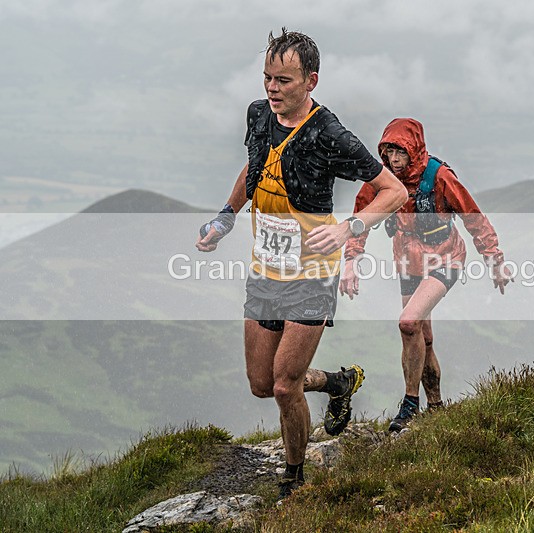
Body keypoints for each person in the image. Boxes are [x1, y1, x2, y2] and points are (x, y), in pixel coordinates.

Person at [195, 29, 407, 498]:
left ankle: (293, 478)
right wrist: (226, 217)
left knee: (285, 386)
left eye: (283, 80)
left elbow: (395, 191)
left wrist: (350, 227)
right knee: (261, 383)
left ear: (310, 81)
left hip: (312, 273)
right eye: (267, 78)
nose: (272, 88)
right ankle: (336, 382)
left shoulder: (329, 134)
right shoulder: (258, 115)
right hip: (266, 270)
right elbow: (253, 169)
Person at [340, 118, 512, 432]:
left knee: (408, 322)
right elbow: (361, 216)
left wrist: (494, 259)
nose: (393, 160)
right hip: (408, 259)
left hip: (445, 256)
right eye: (388, 152)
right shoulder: (383, 179)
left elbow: (473, 217)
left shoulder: (439, 177)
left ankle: (409, 405)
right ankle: (435, 407)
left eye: (400, 152)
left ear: (414, 149)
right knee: (423, 339)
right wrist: (351, 261)